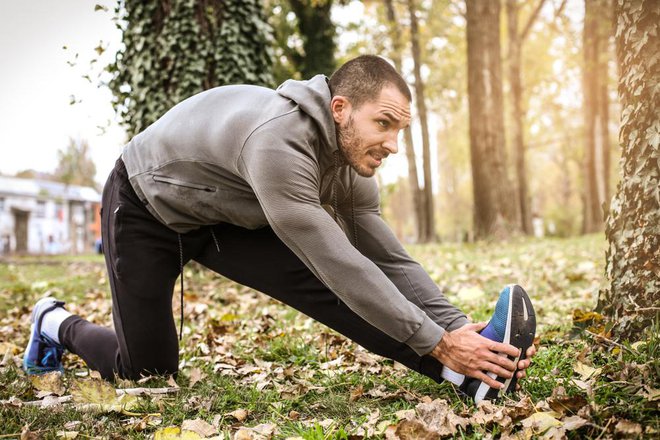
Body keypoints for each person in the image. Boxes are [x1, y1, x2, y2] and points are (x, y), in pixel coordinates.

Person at [23, 55, 536, 403]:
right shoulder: (277, 145)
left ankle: (465, 376)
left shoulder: (350, 163)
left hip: (226, 214)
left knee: (330, 291)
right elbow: (340, 262)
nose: (393, 144)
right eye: (384, 124)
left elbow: (388, 259)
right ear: (341, 110)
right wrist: (438, 339)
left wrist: (462, 332)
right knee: (148, 371)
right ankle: (54, 322)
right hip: (145, 207)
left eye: (400, 129)